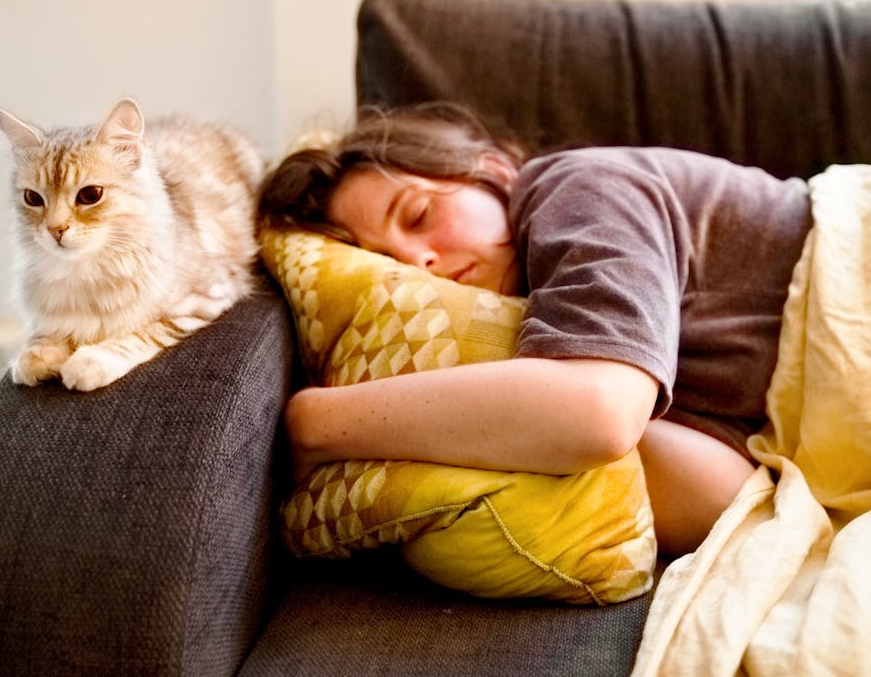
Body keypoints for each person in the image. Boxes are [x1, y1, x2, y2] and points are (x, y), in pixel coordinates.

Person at [259, 103, 813, 555]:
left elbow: (599, 413)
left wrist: (319, 421)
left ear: (492, 169)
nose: (418, 261)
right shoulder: (561, 324)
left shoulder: (576, 188)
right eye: (390, 264)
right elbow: (729, 503)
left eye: (419, 214)